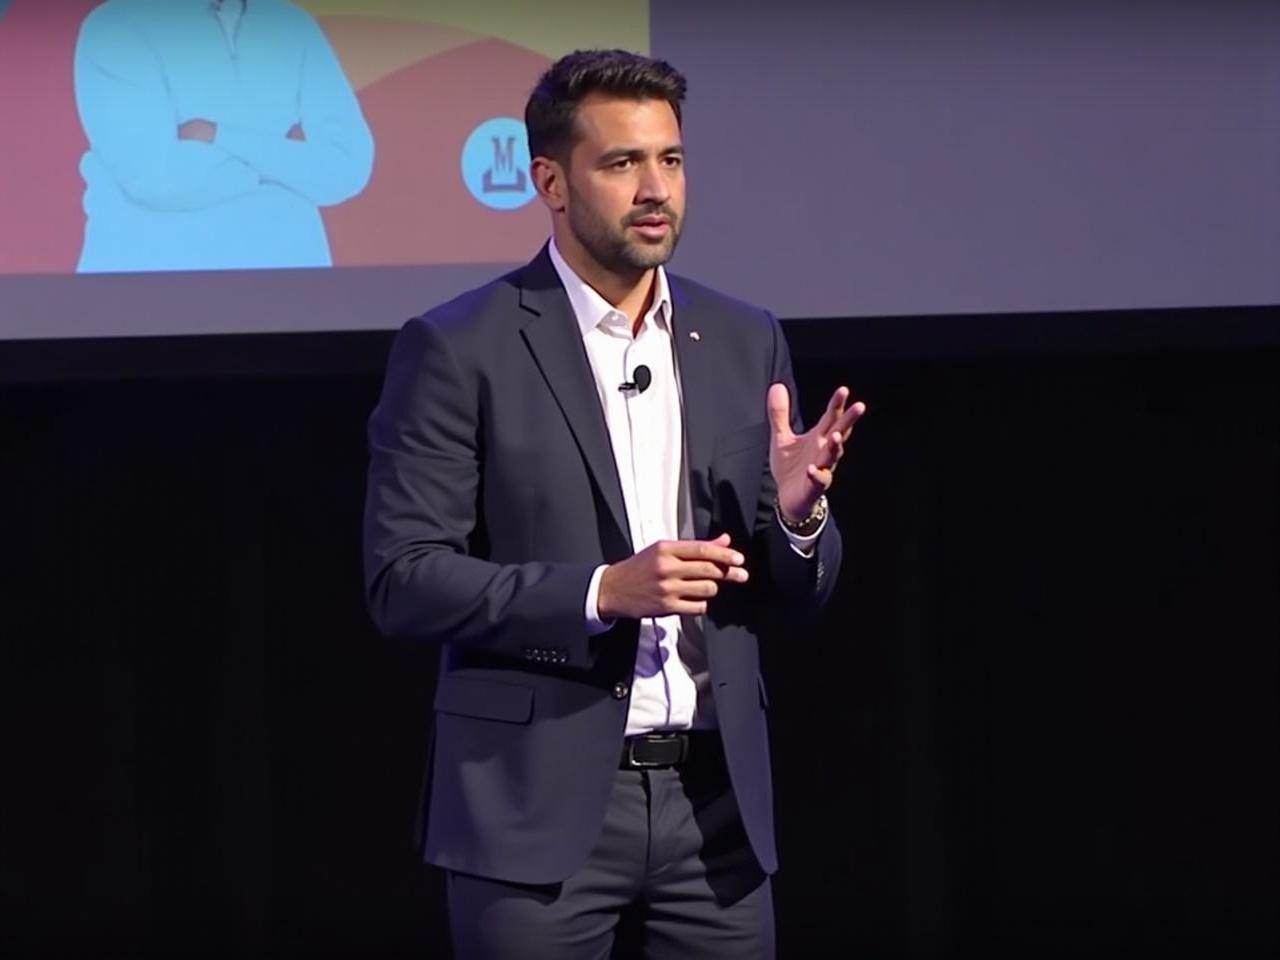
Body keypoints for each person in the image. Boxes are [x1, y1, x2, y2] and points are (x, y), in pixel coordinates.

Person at [363, 49, 865, 958]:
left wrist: (797, 518)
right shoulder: (457, 347)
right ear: (550, 181)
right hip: (534, 814)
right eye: (622, 163)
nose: (655, 189)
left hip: (714, 816)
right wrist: (601, 592)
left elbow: (805, 588)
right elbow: (405, 580)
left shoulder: (744, 338)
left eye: (669, 160)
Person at [73, 0, 373, 273]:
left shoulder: (293, 24)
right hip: (148, 286)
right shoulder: (116, 26)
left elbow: (347, 167)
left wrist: (218, 136)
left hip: (291, 285)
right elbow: (154, 177)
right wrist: (286, 168)